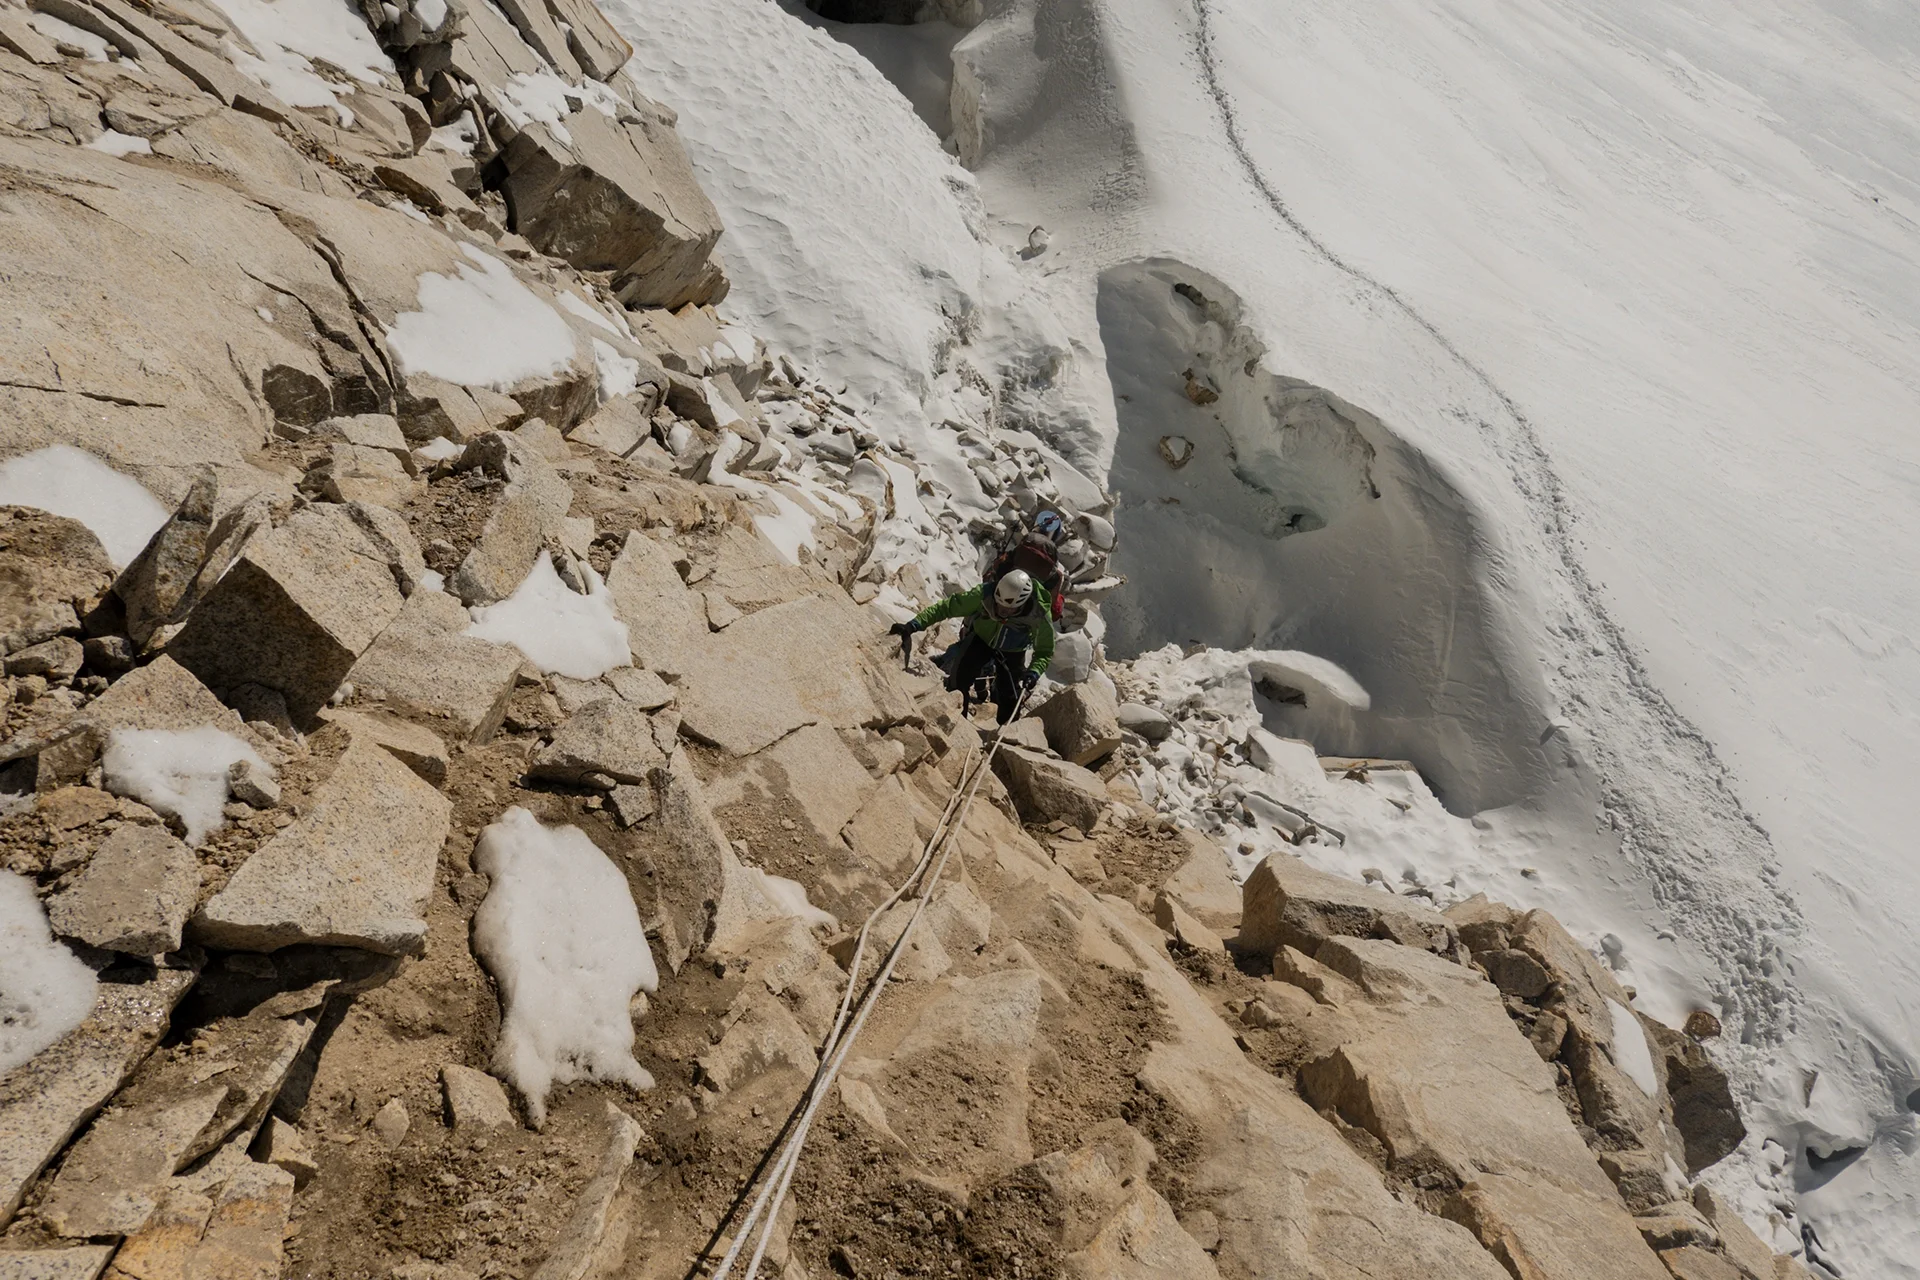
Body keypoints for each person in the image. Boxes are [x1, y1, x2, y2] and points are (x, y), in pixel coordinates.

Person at [891, 569, 1054, 724]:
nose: (1001, 611)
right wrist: (914, 625)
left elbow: (1044, 651)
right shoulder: (984, 595)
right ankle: (956, 721)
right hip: (981, 639)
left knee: (1009, 696)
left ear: (1022, 602)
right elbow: (948, 607)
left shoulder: (1038, 614)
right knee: (959, 679)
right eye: (998, 605)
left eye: (1008, 609)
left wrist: (1034, 673)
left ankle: (1007, 735)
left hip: (1013, 650)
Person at [985, 509, 1070, 624]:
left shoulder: (1017, 553)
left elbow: (995, 569)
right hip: (1024, 620)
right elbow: (1053, 611)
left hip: (995, 604)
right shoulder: (1055, 575)